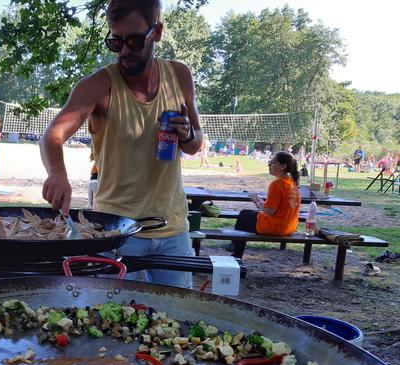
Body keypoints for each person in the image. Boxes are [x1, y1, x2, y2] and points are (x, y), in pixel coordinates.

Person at [40, 0, 203, 288]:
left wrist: (188, 134)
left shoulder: (180, 76)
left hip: (173, 230)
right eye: (115, 42)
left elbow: (194, 145)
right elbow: (52, 135)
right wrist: (57, 173)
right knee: (111, 323)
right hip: (115, 232)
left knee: (178, 323)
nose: (125, 51)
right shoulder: (98, 86)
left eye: (134, 40)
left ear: (158, 32)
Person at [230, 151, 300, 258]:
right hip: (289, 227)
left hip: (275, 227)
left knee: (244, 215)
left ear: (283, 166)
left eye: (273, 162)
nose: (270, 165)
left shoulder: (277, 184)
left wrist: (256, 200)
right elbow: (277, 208)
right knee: (248, 215)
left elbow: (269, 211)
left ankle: (236, 252)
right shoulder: (292, 183)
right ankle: (234, 247)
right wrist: (261, 201)